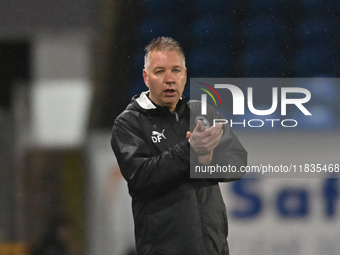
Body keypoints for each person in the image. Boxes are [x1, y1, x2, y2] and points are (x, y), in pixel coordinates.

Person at [111, 37, 247, 255]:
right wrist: (188, 151)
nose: (169, 79)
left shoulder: (201, 112)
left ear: (185, 75)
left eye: (175, 70)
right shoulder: (129, 123)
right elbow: (140, 177)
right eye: (159, 71)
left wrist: (205, 160)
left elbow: (237, 163)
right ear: (146, 77)